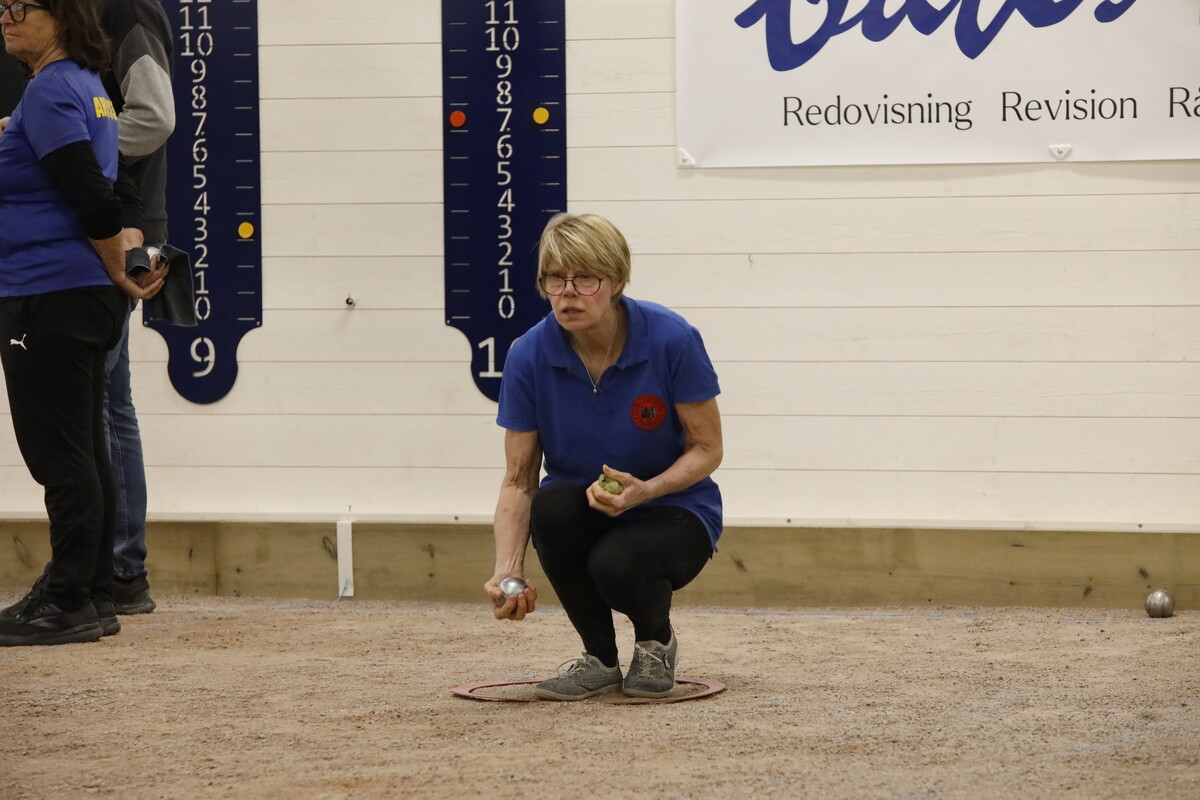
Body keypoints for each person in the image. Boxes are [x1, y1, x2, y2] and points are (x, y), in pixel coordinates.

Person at [485, 213, 724, 700]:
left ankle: (655, 644)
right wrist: (507, 569)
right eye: (555, 279)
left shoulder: (672, 338)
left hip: (675, 509)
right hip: (585, 510)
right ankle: (599, 659)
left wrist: (646, 491)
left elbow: (707, 448)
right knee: (551, 506)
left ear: (616, 281)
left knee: (615, 564)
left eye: (586, 279)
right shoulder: (528, 355)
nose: (568, 293)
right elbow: (519, 479)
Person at [0, 0, 165, 646]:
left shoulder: (50, 92)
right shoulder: (87, 87)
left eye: (21, 7)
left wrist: (120, 268)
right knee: (86, 445)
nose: (6, 17)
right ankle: (94, 592)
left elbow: (91, 197)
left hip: (50, 291)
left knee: (59, 453)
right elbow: (103, 183)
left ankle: (66, 598)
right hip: (73, 292)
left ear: (63, 17)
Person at [96, 0, 174, 615]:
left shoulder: (120, 9)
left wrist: (60, 148)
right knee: (106, 399)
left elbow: (154, 117)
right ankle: (118, 569)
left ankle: (115, 569)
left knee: (98, 400)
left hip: (116, 230)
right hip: (102, 225)